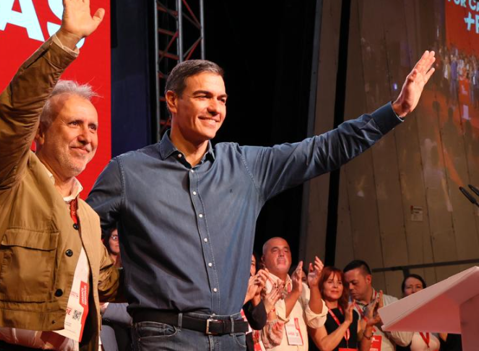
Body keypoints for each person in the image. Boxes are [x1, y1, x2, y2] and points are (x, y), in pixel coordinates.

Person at [88, 43, 435, 351]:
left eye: (221, 99)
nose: (215, 108)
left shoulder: (245, 166)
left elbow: (323, 149)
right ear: (172, 100)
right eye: (203, 96)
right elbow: (79, 239)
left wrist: (397, 110)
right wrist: (120, 284)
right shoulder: (128, 171)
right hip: (163, 337)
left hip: (233, 337)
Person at [0, 0, 120, 351]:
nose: (87, 136)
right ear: (39, 134)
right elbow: (17, 109)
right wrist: (66, 41)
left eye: (92, 127)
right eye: (74, 123)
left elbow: (110, 284)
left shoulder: (88, 217)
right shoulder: (9, 176)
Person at [258, 238, 323, 350]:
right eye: (275, 250)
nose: (282, 254)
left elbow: (316, 320)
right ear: (263, 260)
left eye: (286, 251)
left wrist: (314, 286)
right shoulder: (260, 285)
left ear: (291, 258)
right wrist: (295, 292)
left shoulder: (299, 285)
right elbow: (275, 322)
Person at [342, 261, 412, 351]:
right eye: (347, 284)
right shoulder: (345, 307)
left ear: (368, 279)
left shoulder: (391, 302)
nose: (350, 287)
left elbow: (405, 340)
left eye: (354, 283)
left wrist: (383, 318)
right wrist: (366, 320)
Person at [306, 258, 361, 351]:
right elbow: (324, 346)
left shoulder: (351, 313)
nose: (335, 286)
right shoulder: (316, 312)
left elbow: (362, 346)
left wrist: (369, 322)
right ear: (321, 285)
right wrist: (346, 322)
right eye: (330, 282)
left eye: (339, 282)